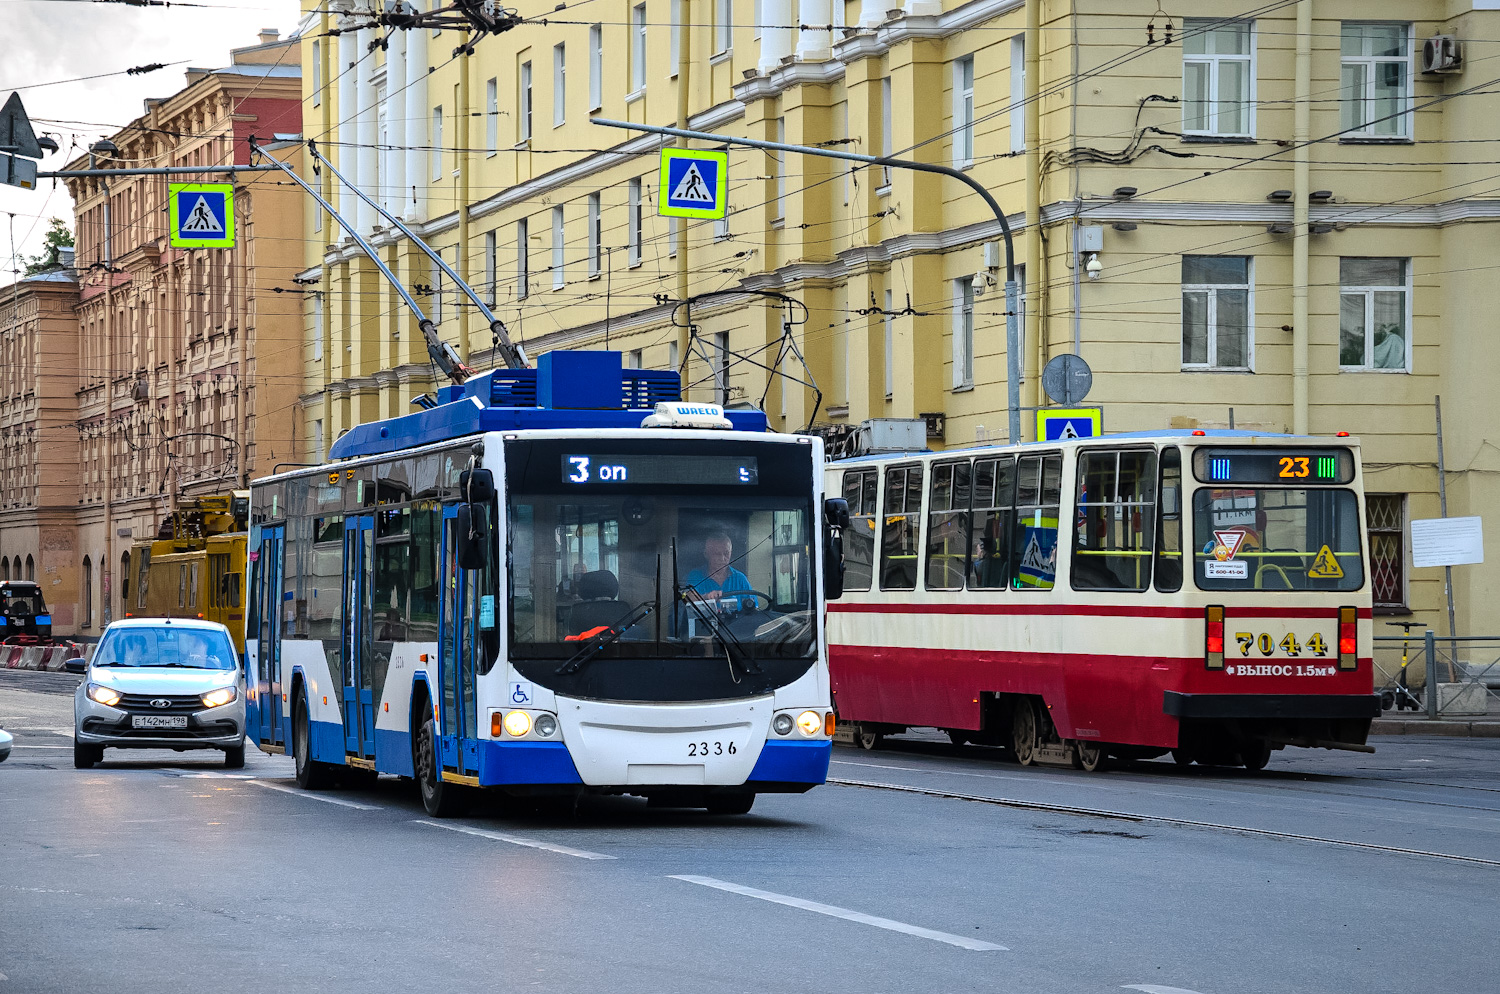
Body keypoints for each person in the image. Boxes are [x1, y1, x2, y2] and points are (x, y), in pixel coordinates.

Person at [685, 531, 753, 612]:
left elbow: (753, 610)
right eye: (717, 554)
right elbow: (687, 598)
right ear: (706, 554)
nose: (722, 558)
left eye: (726, 553)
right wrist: (706, 597)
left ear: (731, 553)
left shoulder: (740, 579)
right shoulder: (695, 575)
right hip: (706, 624)